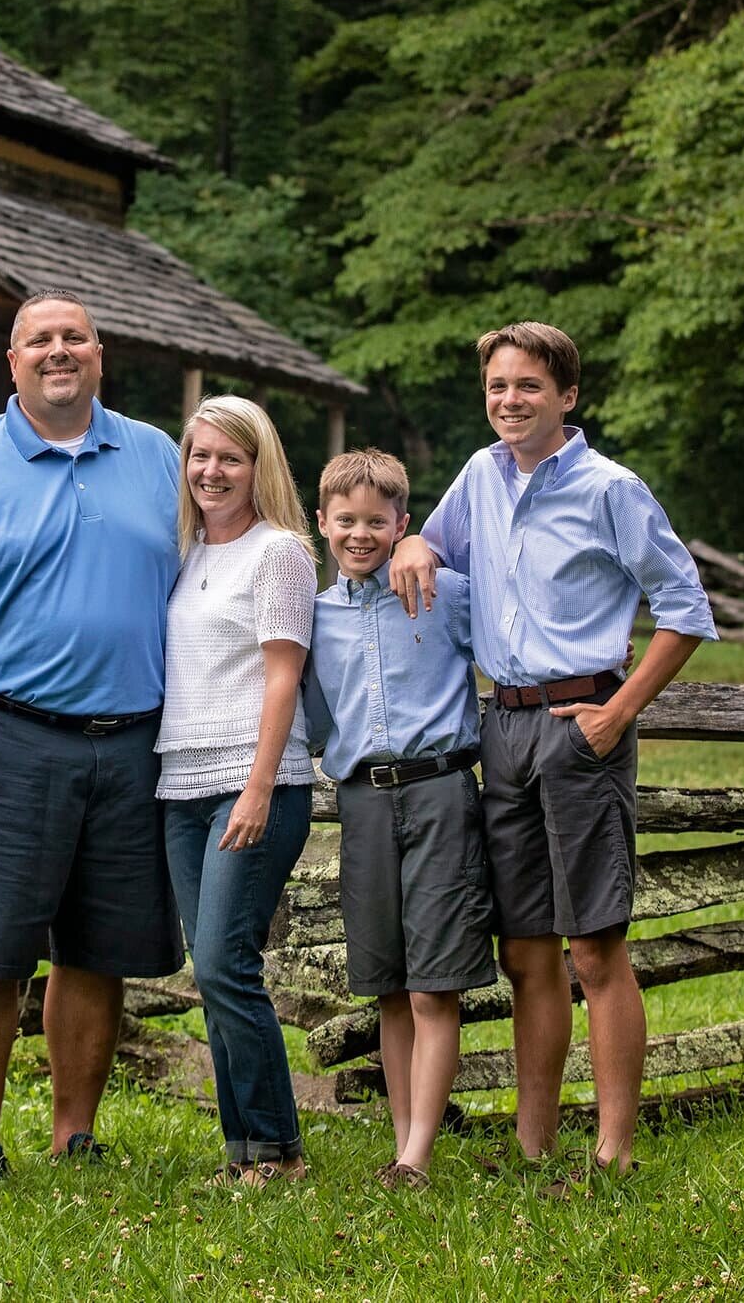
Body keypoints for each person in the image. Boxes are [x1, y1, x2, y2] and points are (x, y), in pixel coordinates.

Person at [387, 321, 716, 1183]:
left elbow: (686, 610)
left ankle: (612, 1153)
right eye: (497, 386)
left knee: (595, 949)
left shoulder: (612, 488)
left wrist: (616, 714)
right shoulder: (479, 476)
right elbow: (433, 543)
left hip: (581, 725)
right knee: (525, 951)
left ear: (567, 396)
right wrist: (417, 539)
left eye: (527, 386)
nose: (509, 401)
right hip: (503, 729)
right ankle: (533, 1147)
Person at [0, 291, 184, 1178]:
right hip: (1, 739)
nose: (60, 352)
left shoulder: (157, 455)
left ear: (101, 354)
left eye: (76, 338)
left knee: (98, 947)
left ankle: (74, 1133)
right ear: (12, 362)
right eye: (40, 341)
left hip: (135, 739)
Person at [302, 448, 494, 1188]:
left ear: (401, 523)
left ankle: (416, 1154)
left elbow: (515, 646)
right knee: (388, 982)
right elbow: (317, 717)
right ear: (322, 524)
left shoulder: (444, 593)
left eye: (376, 522)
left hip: (441, 790)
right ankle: (403, 1137)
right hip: (363, 800)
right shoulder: (316, 617)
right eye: (345, 521)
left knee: (431, 982)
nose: (360, 534)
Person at [154, 396, 319, 1185]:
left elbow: (283, 678)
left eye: (230, 458)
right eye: (200, 456)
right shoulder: (186, 556)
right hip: (180, 783)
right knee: (210, 967)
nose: (211, 471)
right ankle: (243, 1151)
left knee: (225, 963)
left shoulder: (279, 552)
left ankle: (279, 1151)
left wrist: (257, 789)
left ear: (260, 467)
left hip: (255, 784)